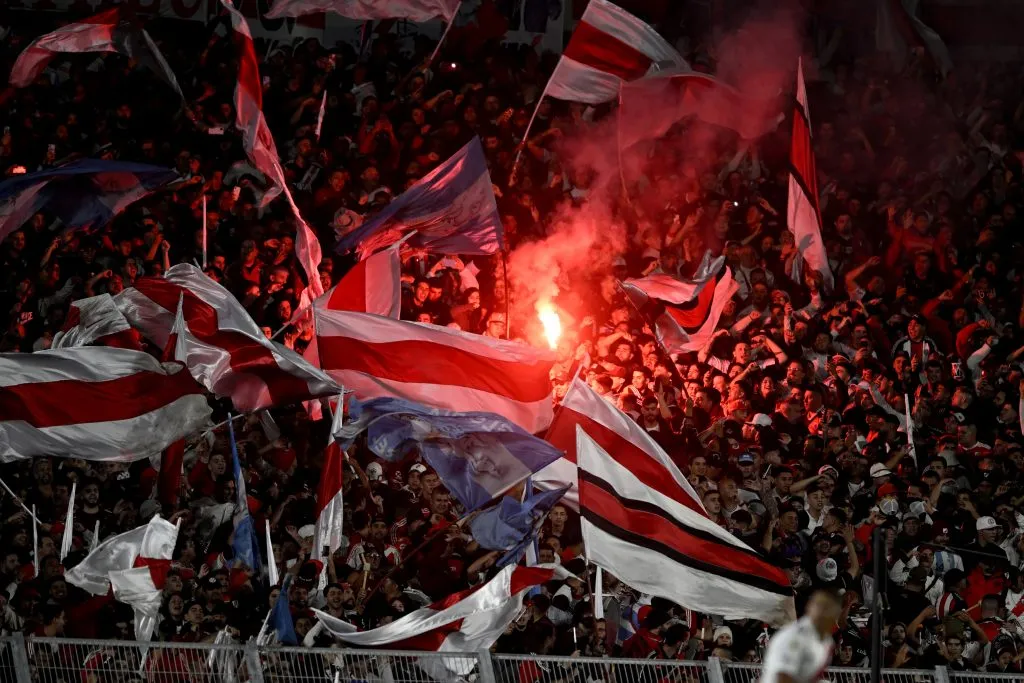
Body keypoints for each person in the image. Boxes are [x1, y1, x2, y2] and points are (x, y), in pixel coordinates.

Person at [760, 591, 841, 683]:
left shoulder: (827, 641)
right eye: (819, 606)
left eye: (828, 609)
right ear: (809, 607)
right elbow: (782, 677)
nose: (822, 613)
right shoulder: (794, 636)